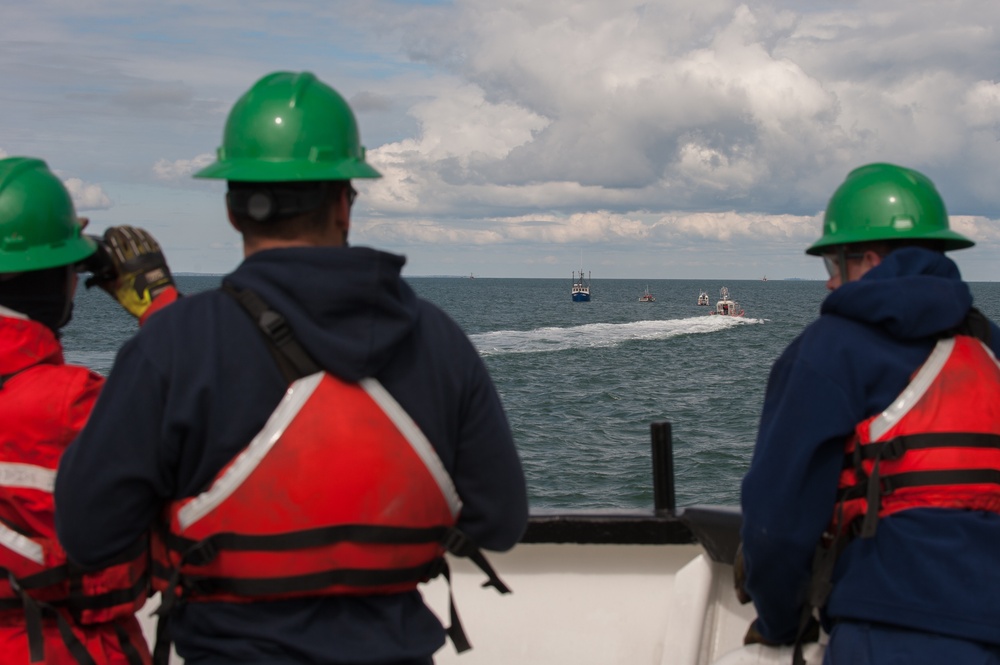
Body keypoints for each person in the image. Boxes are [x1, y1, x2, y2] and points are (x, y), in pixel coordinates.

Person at [54, 71, 528, 665]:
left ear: (232, 209)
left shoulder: (174, 344)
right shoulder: (440, 340)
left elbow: (89, 537)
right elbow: (500, 523)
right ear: (344, 202)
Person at [740, 162, 1000, 664]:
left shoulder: (829, 351)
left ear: (871, 262)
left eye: (834, 266)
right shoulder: (990, 349)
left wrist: (780, 621)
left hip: (889, 627)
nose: (831, 285)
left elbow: (775, 525)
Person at [0, 156, 178, 663]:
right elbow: (211, 432)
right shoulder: (73, 404)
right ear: (60, 278)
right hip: (64, 648)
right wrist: (162, 308)